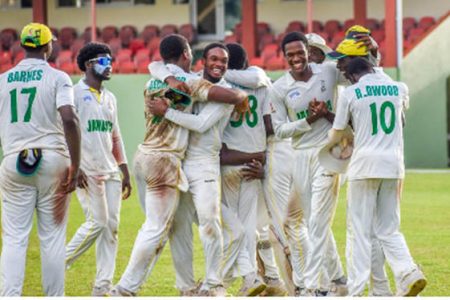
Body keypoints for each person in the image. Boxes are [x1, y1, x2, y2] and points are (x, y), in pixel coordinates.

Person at [110, 34, 247, 296]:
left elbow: (156, 66)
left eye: (224, 60)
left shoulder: (154, 80)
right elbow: (227, 98)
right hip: (168, 161)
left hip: (148, 156)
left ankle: (193, 287)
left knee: (175, 226)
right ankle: (125, 288)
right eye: (213, 59)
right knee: (158, 229)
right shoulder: (192, 82)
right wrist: (240, 96)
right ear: (189, 55)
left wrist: (169, 79)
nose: (218, 64)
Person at [331, 57, 427, 296]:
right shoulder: (399, 88)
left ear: (352, 77)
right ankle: (407, 272)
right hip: (394, 165)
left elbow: (338, 131)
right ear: (372, 68)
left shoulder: (350, 93)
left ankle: (355, 290)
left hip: (364, 166)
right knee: (388, 229)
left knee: (360, 231)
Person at [0, 22, 81, 296]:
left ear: (22, 46)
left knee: (14, 238)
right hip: (53, 160)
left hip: (13, 160)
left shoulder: (2, 80)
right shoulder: (59, 78)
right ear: (48, 46)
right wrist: (76, 165)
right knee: (53, 239)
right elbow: (69, 118)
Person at [269, 31, 345, 296]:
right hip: (300, 155)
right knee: (314, 220)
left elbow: (359, 71)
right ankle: (337, 279)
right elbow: (279, 131)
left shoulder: (328, 71)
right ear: (285, 57)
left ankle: (314, 285)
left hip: (329, 150)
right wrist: (310, 120)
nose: (296, 58)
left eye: (300, 52)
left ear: (307, 51)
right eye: (290, 55)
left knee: (317, 220)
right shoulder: (279, 88)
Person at [65, 42, 132, 296]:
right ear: (89, 64)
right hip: (87, 170)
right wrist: (75, 165)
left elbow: (115, 136)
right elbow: (64, 132)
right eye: (104, 60)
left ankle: (102, 287)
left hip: (111, 170)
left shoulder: (110, 97)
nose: (110, 65)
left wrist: (124, 169)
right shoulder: (73, 94)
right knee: (98, 222)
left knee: (111, 229)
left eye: (111, 60)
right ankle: (58, 262)